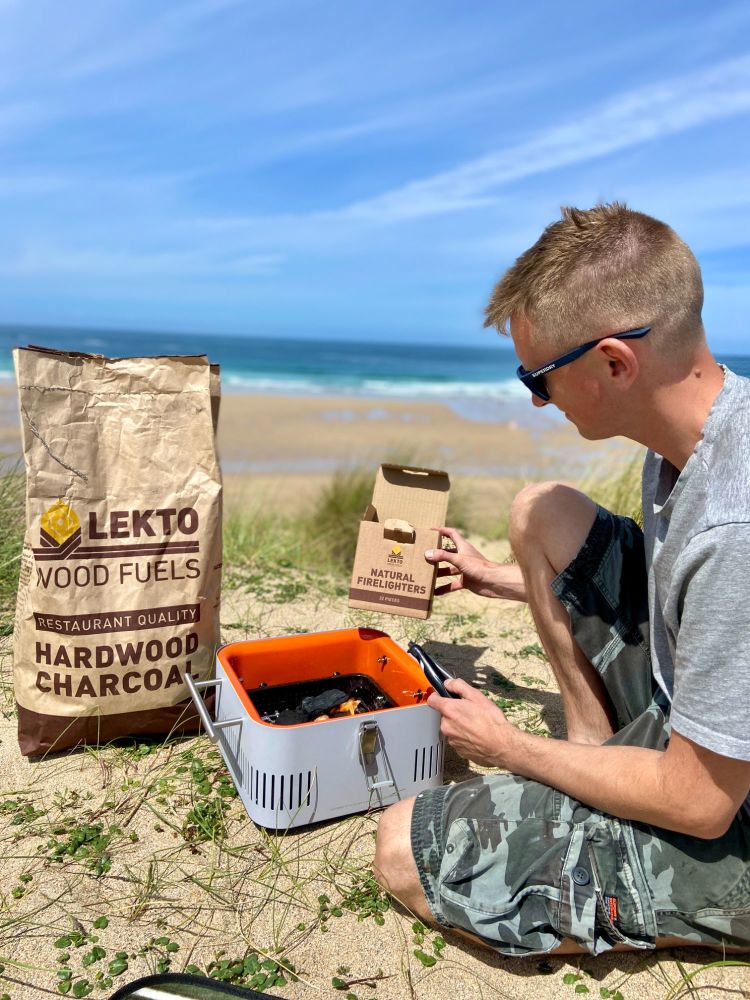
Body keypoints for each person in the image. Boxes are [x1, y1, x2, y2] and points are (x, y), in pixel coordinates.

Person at [373, 203, 750, 957]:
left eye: (538, 378)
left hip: (725, 804)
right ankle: (597, 752)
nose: (536, 400)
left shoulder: (733, 530)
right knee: (543, 513)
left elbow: (701, 802)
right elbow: (691, 603)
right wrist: (506, 580)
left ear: (615, 362)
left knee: (402, 849)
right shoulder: (693, 433)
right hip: (708, 729)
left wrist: (512, 747)